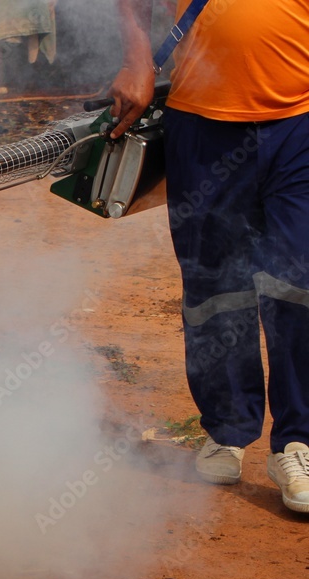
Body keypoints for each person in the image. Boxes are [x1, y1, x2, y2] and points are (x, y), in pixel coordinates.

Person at [109, 0, 309, 513]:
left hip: (300, 123)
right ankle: (227, 429)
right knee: (214, 286)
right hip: (201, 125)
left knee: (299, 285)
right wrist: (138, 62)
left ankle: (299, 443)